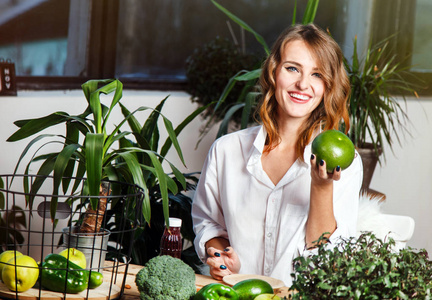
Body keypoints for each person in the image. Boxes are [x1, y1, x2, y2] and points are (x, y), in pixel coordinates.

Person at [192, 23, 363, 286]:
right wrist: (223, 259)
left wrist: (321, 186)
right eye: (292, 68)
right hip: (235, 292)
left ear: (329, 86)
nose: (302, 84)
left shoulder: (343, 163)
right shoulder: (226, 151)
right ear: (274, 72)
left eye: (317, 74)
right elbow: (209, 224)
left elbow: (328, 257)